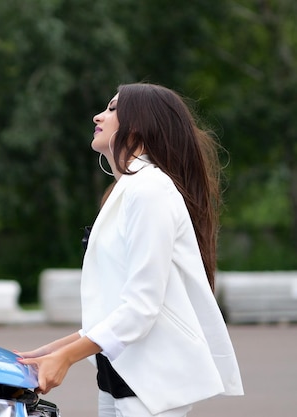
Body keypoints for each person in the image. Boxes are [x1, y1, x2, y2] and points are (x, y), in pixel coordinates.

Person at [17, 83, 244, 417]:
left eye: (111, 109)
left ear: (138, 125)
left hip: (151, 381)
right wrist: (47, 352)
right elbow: (114, 307)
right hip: (118, 376)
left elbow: (141, 306)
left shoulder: (150, 189)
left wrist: (66, 359)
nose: (98, 115)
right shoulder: (128, 189)